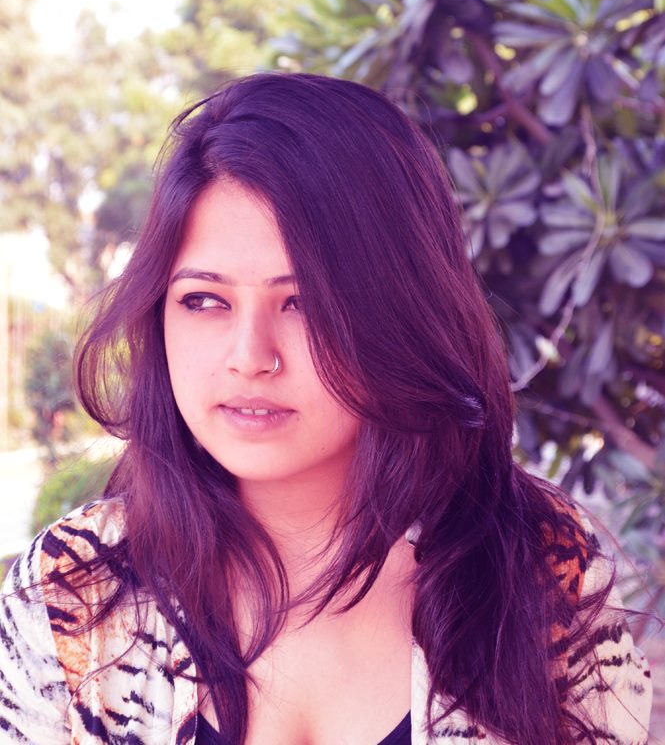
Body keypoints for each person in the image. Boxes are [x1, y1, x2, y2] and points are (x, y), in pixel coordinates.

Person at [0, 72, 652, 745]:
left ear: (402, 312)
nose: (250, 357)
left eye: (304, 303)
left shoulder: (538, 574)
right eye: (204, 300)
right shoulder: (70, 597)